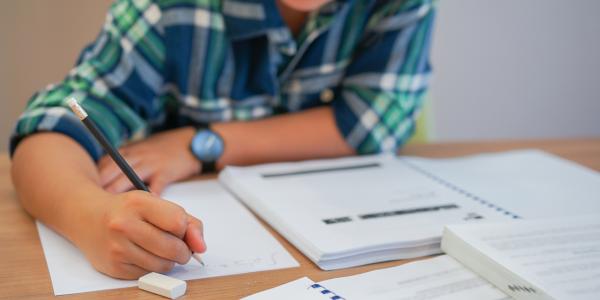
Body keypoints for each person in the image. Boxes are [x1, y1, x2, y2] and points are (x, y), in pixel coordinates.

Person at [10, 0, 435, 279]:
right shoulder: (166, 8)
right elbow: (49, 130)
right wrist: (90, 216)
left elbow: (371, 122)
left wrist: (200, 144)